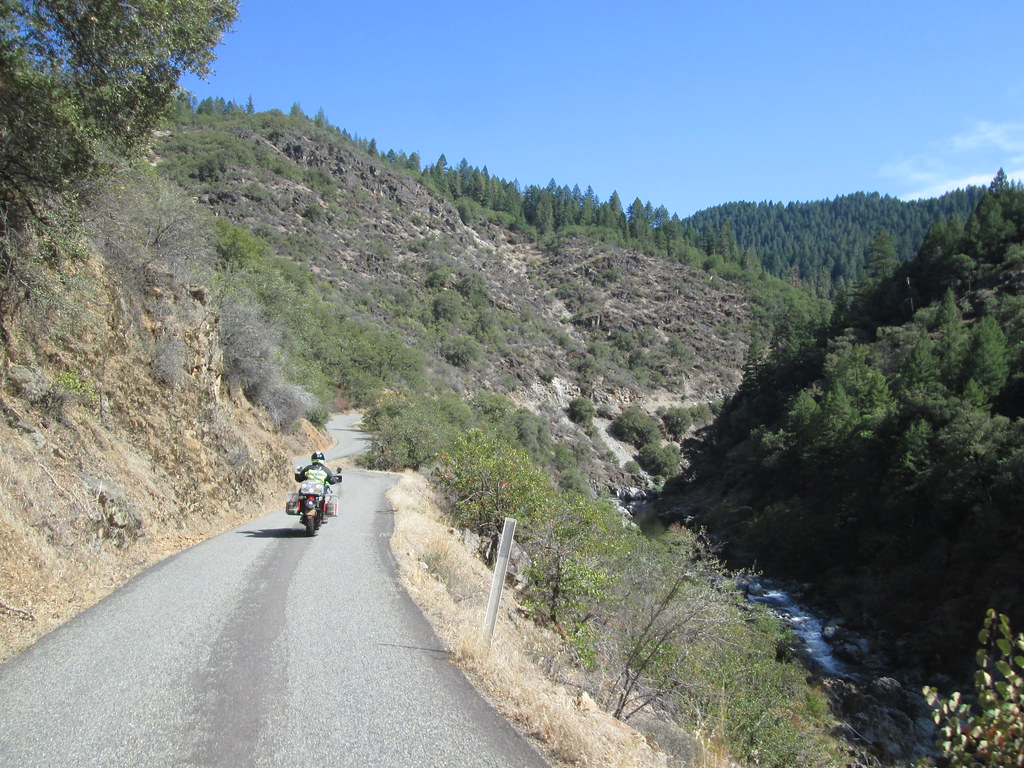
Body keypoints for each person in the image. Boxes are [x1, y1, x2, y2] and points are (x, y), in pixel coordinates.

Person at [294, 451, 342, 517]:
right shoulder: (325, 470)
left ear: (312, 459)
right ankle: (324, 514)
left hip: (307, 490)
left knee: (300, 494)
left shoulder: (308, 468)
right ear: (323, 459)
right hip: (319, 491)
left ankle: (297, 508)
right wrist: (336, 479)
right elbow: (332, 481)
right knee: (326, 496)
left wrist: (298, 477)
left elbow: (299, 478)